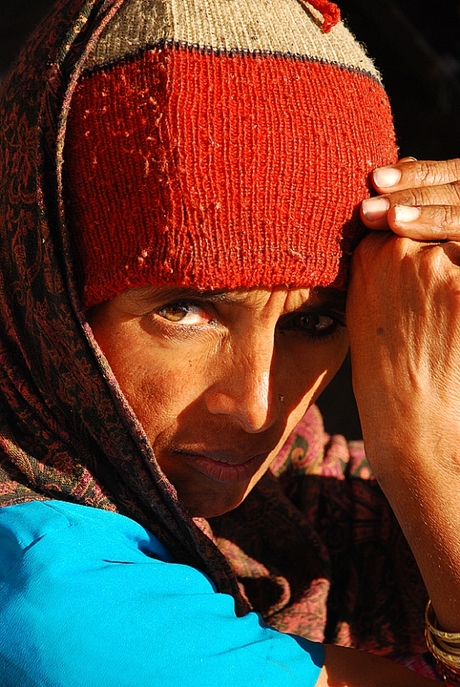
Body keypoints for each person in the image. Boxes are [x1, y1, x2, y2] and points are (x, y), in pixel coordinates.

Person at [0, 0, 457, 684]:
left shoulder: (300, 499)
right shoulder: (58, 602)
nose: (255, 406)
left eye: (317, 322)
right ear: (48, 289)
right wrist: (428, 464)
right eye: (186, 310)